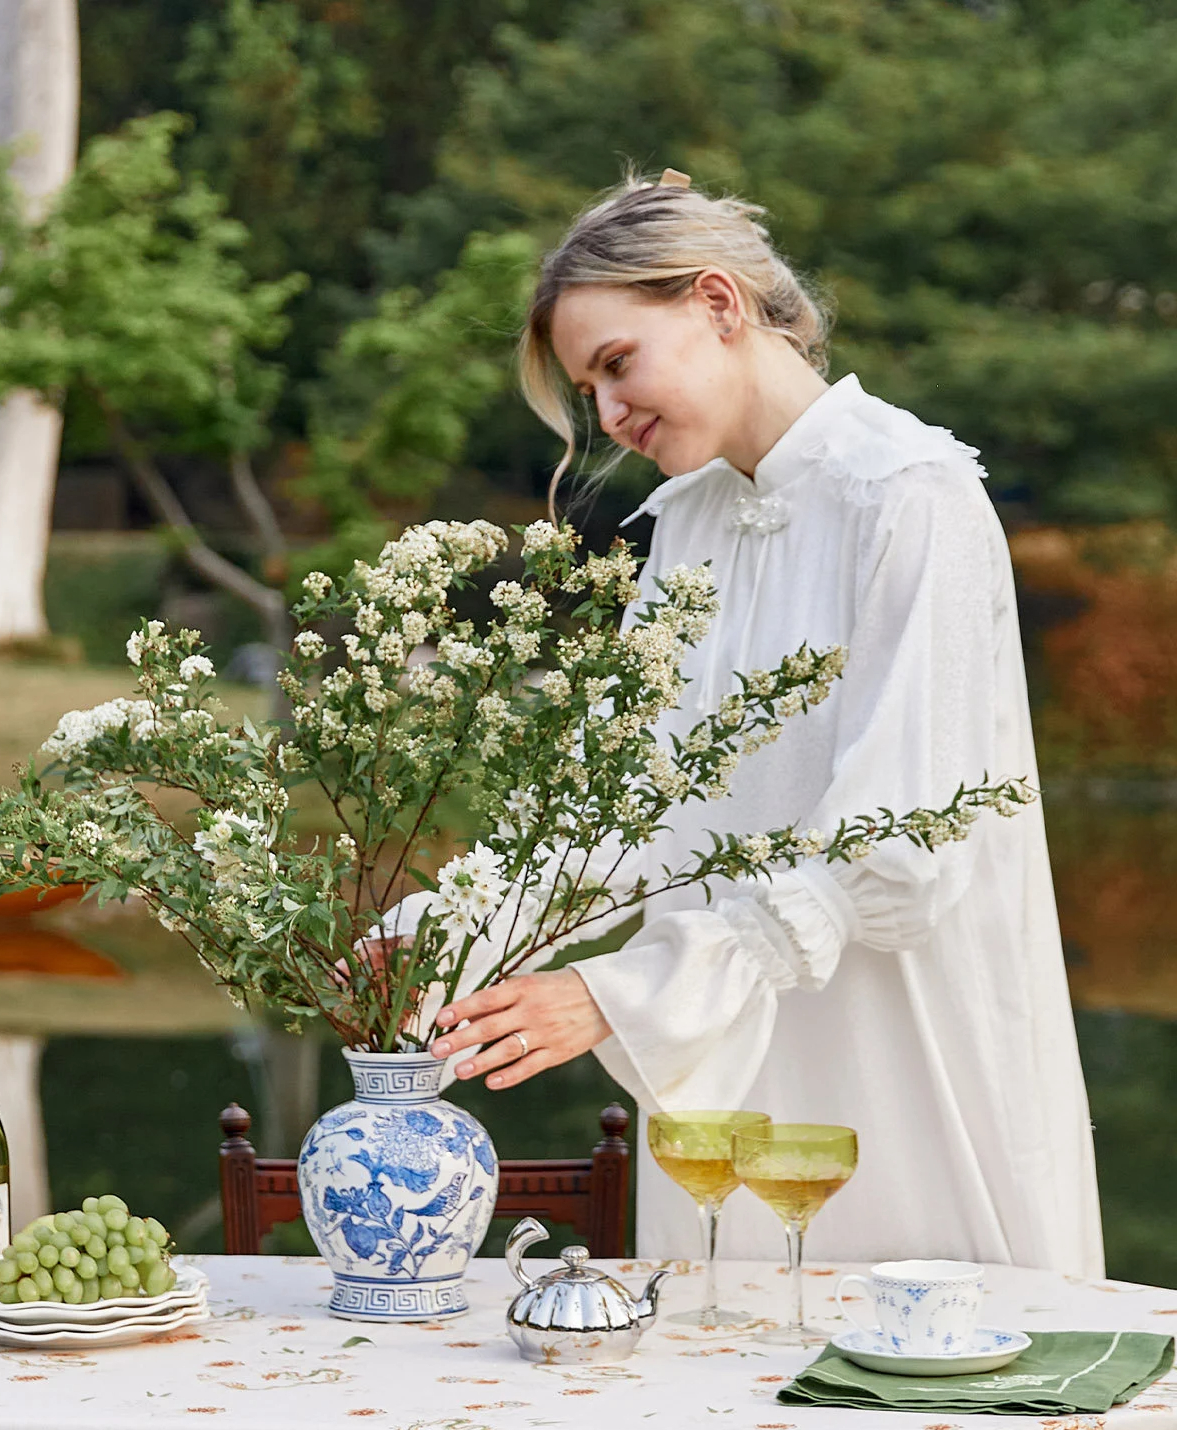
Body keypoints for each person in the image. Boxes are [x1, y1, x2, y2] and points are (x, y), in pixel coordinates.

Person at [424, 171, 1102, 1273]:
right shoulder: (689, 523)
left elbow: (902, 851)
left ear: (715, 303)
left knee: (911, 1399)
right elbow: (623, 799)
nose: (603, 415)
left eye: (613, 364)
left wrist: (616, 990)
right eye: (586, 387)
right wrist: (448, 928)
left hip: (901, 1051)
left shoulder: (908, 495)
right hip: (723, 1074)